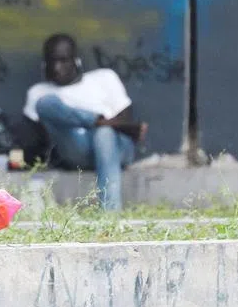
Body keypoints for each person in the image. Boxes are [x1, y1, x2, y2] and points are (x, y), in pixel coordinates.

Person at [23, 34, 147, 211]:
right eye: (52, 62)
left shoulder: (104, 78)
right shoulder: (38, 91)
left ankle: (110, 213)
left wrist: (101, 127)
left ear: (76, 60)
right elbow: (38, 141)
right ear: (44, 64)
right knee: (45, 103)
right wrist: (96, 121)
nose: (57, 68)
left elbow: (124, 120)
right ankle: (98, 121)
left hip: (115, 150)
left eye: (63, 60)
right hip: (76, 150)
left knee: (103, 133)